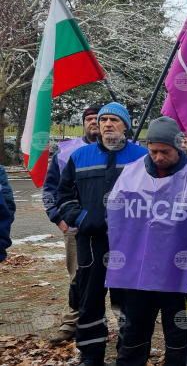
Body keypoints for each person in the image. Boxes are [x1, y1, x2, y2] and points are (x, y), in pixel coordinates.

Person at [110, 117, 187, 366]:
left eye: (165, 151)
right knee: (134, 329)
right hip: (138, 270)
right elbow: (116, 217)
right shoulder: (132, 173)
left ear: (178, 146)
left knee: (179, 332)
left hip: (181, 271)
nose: (158, 157)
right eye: (153, 151)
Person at [56, 103, 149, 366]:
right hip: (91, 241)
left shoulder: (143, 157)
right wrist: (81, 218)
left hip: (130, 244)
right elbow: (64, 195)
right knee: (90, 299)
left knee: (130, 300)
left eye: (114, 120)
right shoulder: (80, 156)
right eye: (103, 119)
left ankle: (128, 352)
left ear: (126, 126)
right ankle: (91, 355)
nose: (107, 123)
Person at [42, 104, 101, 343]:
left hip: (116, 230)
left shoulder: (126, 150)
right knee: (78, 276)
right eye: (89, 119)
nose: (95, 122)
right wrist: (58, 218)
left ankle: (125, 320)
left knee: (119, 276)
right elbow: (51, 189)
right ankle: (71, 322)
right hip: (76, 228)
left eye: (99, 118)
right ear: (83, 123)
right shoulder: (66, 152)